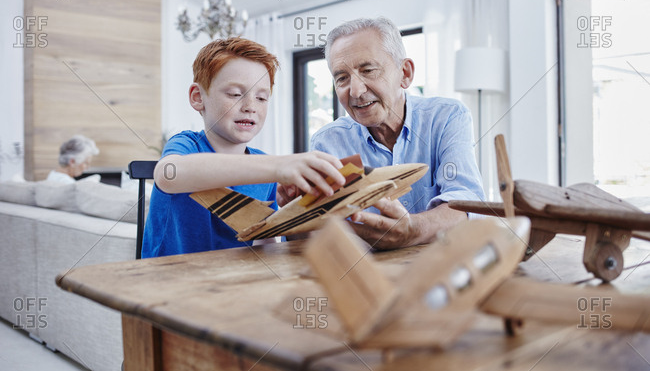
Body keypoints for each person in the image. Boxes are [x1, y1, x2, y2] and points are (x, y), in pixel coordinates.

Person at [142, 37, 345, 258]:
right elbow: (168, 174)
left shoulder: (266, 171)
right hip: (168, 282)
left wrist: (297, 215)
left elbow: (265, 248)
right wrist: (279, 165)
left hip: (232, 284)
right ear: (198, 97)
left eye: (261, 98)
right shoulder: (186, 145)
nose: (250, 107)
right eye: (236, 94)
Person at [308, 17, 485, 250]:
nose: (356, 91)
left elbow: (467, 202)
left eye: (368, 70)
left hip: (442, 264)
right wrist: (302, 211)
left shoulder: (447, 117)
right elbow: (319, 229)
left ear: (405, 73)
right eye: (342, 78)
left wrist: (413, 229)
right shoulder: (327, 142)